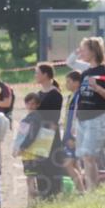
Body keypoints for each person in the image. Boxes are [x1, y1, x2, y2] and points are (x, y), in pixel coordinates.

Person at [76, 37, 105, 190]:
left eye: (84, 49)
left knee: (89, 155)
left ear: (93, 51)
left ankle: (93, 188)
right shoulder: (85, 73)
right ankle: (91, 189)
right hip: (82, 118)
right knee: (84, 157)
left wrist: (98, 88)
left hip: (98, 117)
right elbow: (80, 96)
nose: (81, 52)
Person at [33, 63, 64, 198]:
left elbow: (53, 118)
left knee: (51, 165)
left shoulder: (55, 94)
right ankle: (43, 194)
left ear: (45, 74)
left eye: (37, 72)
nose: (35, 75)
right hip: (39, 133)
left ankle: (54, 194)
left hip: (49, 133)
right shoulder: (38, 94)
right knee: (40, 166)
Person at [12, 92, 44, 203]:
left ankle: (35, 200)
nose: (30, 106)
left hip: (31, 153)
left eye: (33, 104)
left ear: (37, 105)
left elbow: (31, 135)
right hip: (29, 154)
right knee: (30, 178)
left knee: (30, 179)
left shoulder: (34, 118)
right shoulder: (31, 117)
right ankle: (31, 203)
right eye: (28, 104)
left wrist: (21, 147)